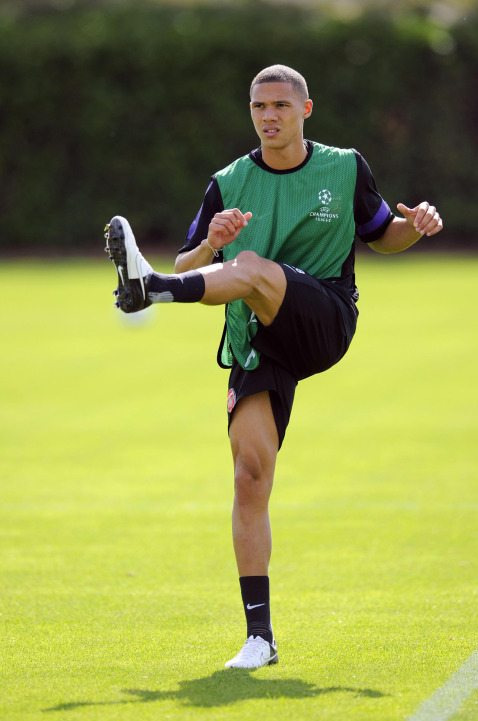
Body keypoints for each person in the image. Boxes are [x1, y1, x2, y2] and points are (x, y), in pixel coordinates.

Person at [104, 64, 443, 670]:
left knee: (255, 266)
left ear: (305, 110)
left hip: (323, 320)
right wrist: (211, 240)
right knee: (249, 474)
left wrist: (414, 228)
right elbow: (193, 258)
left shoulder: (344, 167)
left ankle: (147, 288)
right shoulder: (229, 181)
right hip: (257, 341)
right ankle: (259, 637)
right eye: (259, 106)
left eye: (281, 106)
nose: (269, 116)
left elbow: (382, 233)